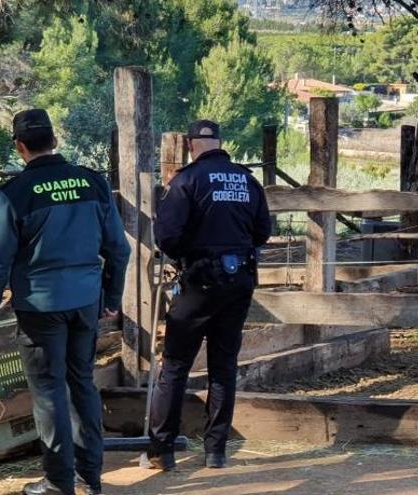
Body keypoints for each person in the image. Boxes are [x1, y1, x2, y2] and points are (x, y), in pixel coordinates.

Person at [0, 109, 131, 495]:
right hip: (85, 302)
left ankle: (59, 482)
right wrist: (110, 298)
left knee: (49, 393)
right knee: (82, 383)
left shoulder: (13, 194)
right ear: (54, 140)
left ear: (20, 146)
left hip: (41, 306)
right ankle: (90, 477)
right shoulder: (93, 184)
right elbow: (119, 249)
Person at [141, 120, 271, 471]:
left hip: (199, 282)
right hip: (239, 280)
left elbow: (166, 237)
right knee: (223, 368)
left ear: (189, 144)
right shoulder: (247, 180)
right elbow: (263, 231)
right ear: (220, 143)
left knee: (176, 367)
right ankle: (215, 451)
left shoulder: (186, 181)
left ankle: (162, 451)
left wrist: (190, 253)